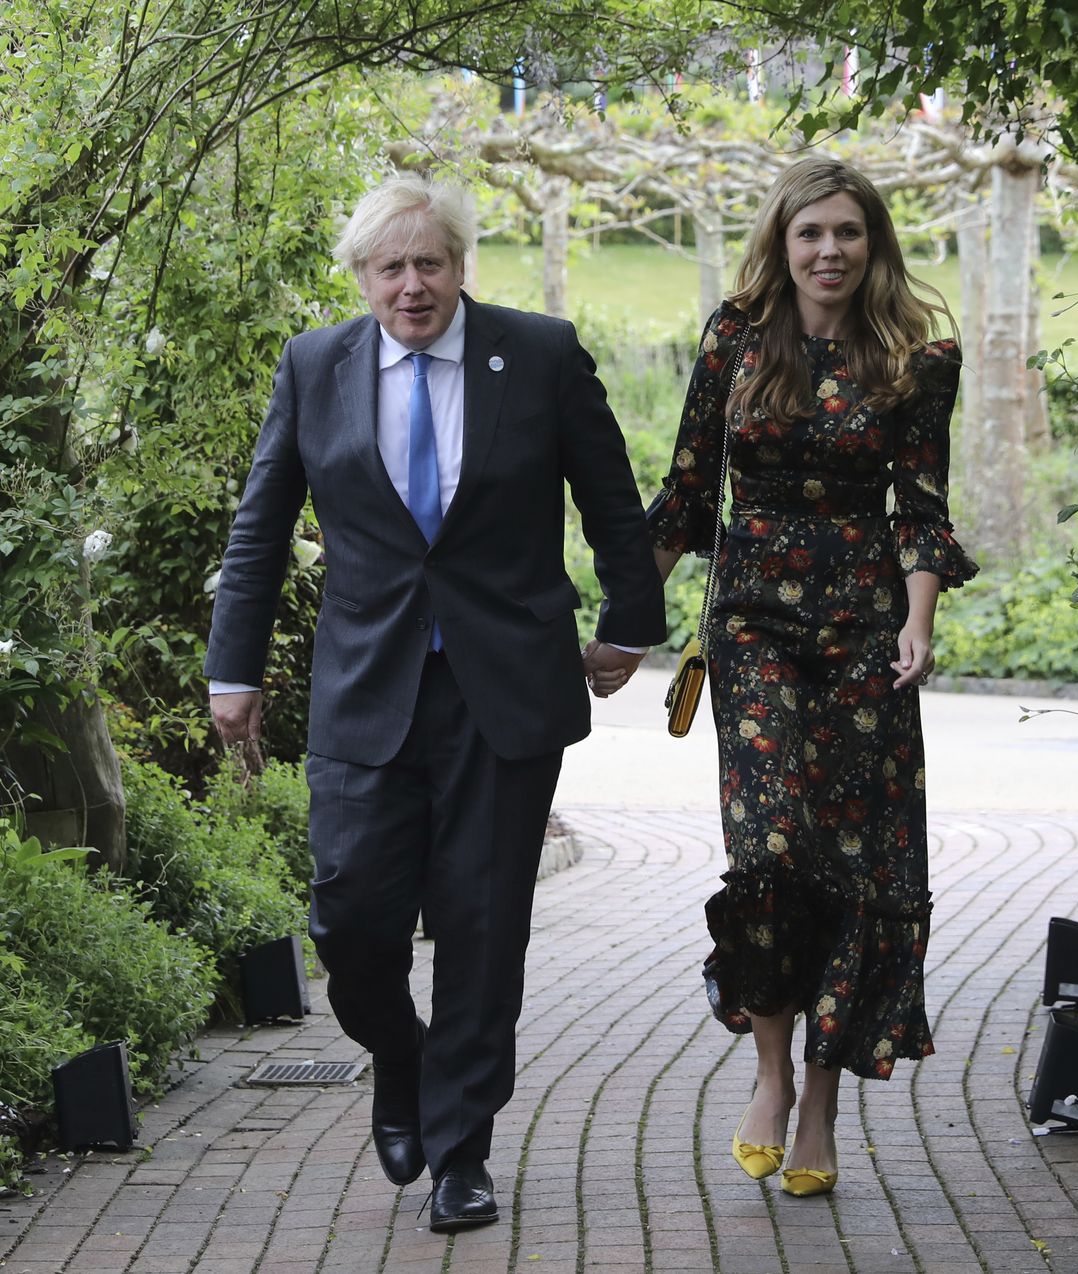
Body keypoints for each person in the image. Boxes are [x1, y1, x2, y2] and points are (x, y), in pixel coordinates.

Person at [205, 172, 665, 1232]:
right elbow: (260, 524)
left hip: (502, 689)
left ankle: (461, 1148)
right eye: (389, 267)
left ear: (459, 264)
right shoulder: (315, 365)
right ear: (362, 276)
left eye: (430, 262)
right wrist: (233, 668)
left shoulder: (538, 353)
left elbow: (609, 497)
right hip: (366, 688)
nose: (412, 285)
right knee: (351, 916)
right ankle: (399, 1060)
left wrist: (628, 621)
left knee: (481, 923)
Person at [647, 156, 976, 1197]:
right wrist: (619, 624)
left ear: (870, 243)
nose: (828, 251)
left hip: (863, 633)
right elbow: (690, 488)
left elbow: (920, 505)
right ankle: (768, 1074)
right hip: (750, 626)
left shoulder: (917, 351)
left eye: (847, 233)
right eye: (809, 234)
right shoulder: (733, 337)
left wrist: (917, 622)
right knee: (770, 849)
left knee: (857, 867)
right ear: (780, 243)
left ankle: (822, 1104)